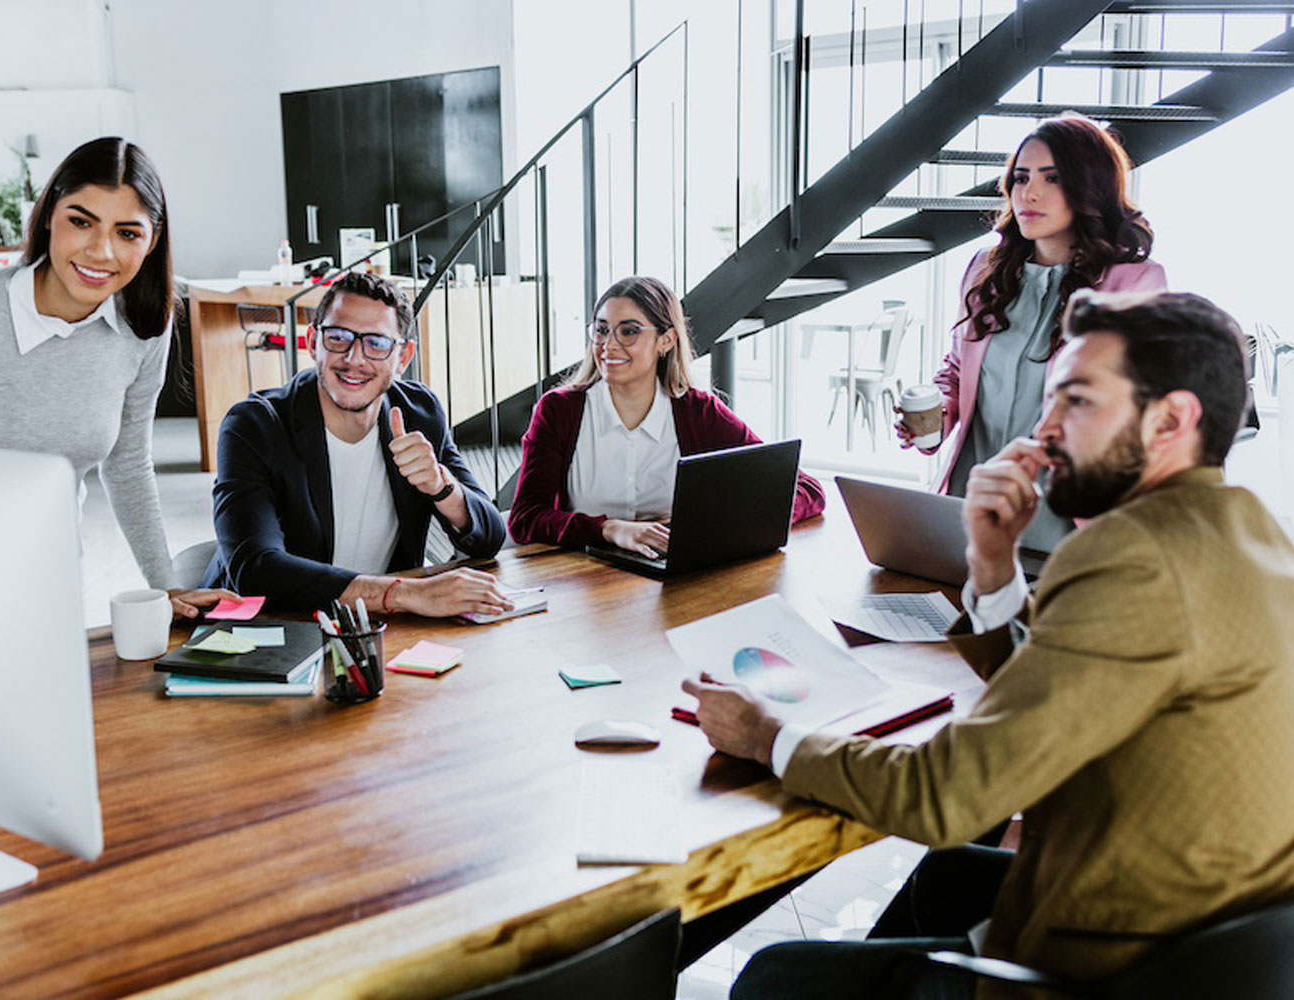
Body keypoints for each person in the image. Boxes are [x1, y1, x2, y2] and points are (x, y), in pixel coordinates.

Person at [686, 290, 1294, 999]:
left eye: (1077, 401)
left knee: (777, 978)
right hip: (1211, 935)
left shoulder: (1134, 558)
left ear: (1172, 420)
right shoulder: (1254, 535)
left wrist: (767, 736)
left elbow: (946, 796)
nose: (1046, 428)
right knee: (947, 874)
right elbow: (1051, 697)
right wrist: (993, 566)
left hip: (1113, 967)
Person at [0, 137, 232, 619]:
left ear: (152, 242)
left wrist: (165, 589)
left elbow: (127, 463)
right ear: (49, 214)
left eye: (128, 233)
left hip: (50, 574)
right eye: (81, 221)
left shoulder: (144, 326)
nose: (101, 250)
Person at [899, 115, 1168, 550]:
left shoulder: (1133, 282)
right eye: (1020, 177)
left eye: (1053, 178)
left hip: (1063, 520)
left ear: (1089, 186)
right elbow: (957, 369)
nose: (1029, 192)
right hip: (971, 503)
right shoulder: (985, 271)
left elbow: (1132, 411)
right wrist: (932, 418)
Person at [202, 271, 511, 616]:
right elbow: (255, 570)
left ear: (403, 357)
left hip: (373, 628)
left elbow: (490, 537)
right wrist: (403, 594)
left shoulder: (419, 413)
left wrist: (442, 486)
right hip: (267, 631)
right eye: (338, 338)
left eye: (376, 343)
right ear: (313, 343)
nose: (354, 359)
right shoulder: (254, 425)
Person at [508, 276, 825, 555]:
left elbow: (807, 490)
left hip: (674, 579)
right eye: (602, 330)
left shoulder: (698, 412)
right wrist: (610, 529)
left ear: (666, 340)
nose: (608, 345)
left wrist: (715, 526)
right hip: (584, 582)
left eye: (629, 331)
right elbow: (525, 518)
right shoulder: (560, 410)